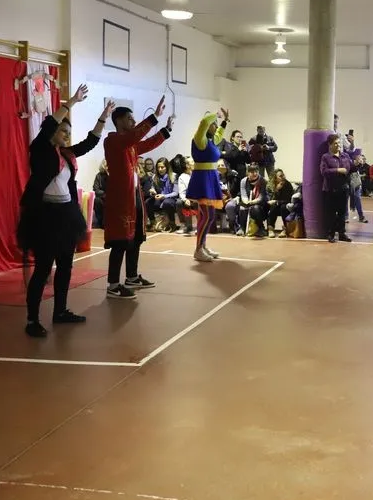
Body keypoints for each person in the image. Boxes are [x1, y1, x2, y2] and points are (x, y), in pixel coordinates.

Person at [17, 84, 106, 337]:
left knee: (66, 266)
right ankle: (32, 319)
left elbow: (90, 142)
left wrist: (103, 117)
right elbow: (47, 125)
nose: (66, 135)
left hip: (66, 215)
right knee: (43, 268)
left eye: (69, 132)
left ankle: (60, 311)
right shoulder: (40, 150)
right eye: (62, 131)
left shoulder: (66, 154)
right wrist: (72, 102)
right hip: (45, 217)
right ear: (52, 132)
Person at [103, 96, 173, 299]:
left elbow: (148, 143)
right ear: (119, 121)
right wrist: (154, 117)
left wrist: (166, 130)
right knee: (120, 241)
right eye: (130, 118)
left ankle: (132, 277)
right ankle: (113, 285)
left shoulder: (130, 145)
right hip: (121, 200)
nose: (133, 122)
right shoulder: (113, 140)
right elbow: (135, 136)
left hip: (134, 197)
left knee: (135, 239)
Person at [186, 109, 229, 261]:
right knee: (206, 216)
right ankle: (198, 249)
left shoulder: (210, 141)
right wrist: (215, 115)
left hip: (211, 178)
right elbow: (204, 122)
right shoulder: (199, 139)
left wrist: (224, 122)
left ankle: (202, 246)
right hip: (202, 180)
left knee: (209, 217)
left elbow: (218, 135)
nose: (215, 127)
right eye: (213, 124)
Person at [320, 133, 353, 243]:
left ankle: (342, 233)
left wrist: (357, 164)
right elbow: (324, 172)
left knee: (342, 213)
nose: (338, 145)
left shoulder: (345, 156)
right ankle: (331, 234)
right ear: (330, 145)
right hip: (330, 189)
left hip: (343, 189)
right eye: (335, 143)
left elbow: (351, 168)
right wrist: (338, 170)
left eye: (339, 143)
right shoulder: (326, 157)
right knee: (331, 213)